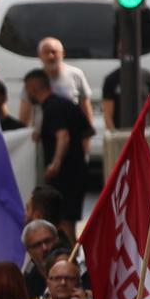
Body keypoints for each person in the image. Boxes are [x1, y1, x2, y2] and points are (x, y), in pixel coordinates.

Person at [26, 68, 89, 236]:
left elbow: (63, 136)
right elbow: (87, 131)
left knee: (64, 220)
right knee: (69, 220)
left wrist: (56, 162)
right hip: (77, 171)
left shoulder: (51, 108)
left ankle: (69, 259)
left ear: (32, 88)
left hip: (64, 175)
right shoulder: (66, 104)